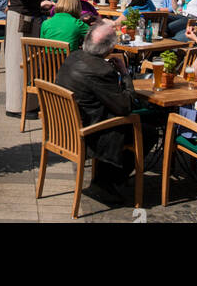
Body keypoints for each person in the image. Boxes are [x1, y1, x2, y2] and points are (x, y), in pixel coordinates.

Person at [54, 21, 163, 199]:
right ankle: (107, 182)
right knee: (148, 132)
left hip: (65, 127)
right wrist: (125, 74)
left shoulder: (73, 57)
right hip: (90, 132)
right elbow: (125, 107)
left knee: (138, 123)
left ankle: (107, 179)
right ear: (109, 49)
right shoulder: (102, 70)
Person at [4, 0, 55, 117]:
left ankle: (28, 104)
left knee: (28, 60)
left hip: (28, 14)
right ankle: (16, 107)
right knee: (18, 60)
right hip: (21, 16)